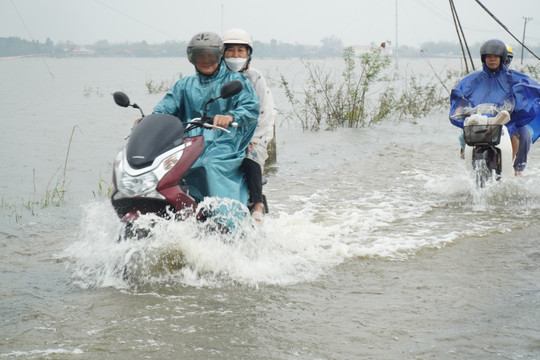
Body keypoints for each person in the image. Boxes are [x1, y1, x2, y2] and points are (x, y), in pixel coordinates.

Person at [153, 32, 259, 212]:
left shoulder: (236, 80)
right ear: (191, 58)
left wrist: (231, 117)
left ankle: (228, 217)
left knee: (209, 165)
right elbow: (165, 108)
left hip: (225, 143)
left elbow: (251, 108)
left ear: (219, 55)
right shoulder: (184, 85)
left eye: (210, 55)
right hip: (188, 145)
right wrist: (150, 120)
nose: (205, 60)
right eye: (199, 56)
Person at [450, 39, 540, 176]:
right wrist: (459, 108)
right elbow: (460, 94)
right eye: (488, 57)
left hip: (505, 120)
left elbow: (530, 88)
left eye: (496, 57)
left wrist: (518, 106)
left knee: (518, 137)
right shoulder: (473, 78)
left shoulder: (512, 77)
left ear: (502, 58)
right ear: (483, 59)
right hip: (480, 119)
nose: (492, 60)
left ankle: (513, 169)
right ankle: (467, 165)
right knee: (464, 136)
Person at [222, 28, 276, 223]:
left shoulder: (255, 77)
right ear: (223, 54)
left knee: (249, 158)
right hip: (222, 135)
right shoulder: (217, 77)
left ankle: (257, 204)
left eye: (240, 51)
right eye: (231, 51)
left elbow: (265, 111)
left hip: (253, 136)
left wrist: (250, 138)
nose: (235, 55)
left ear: (248, 55)